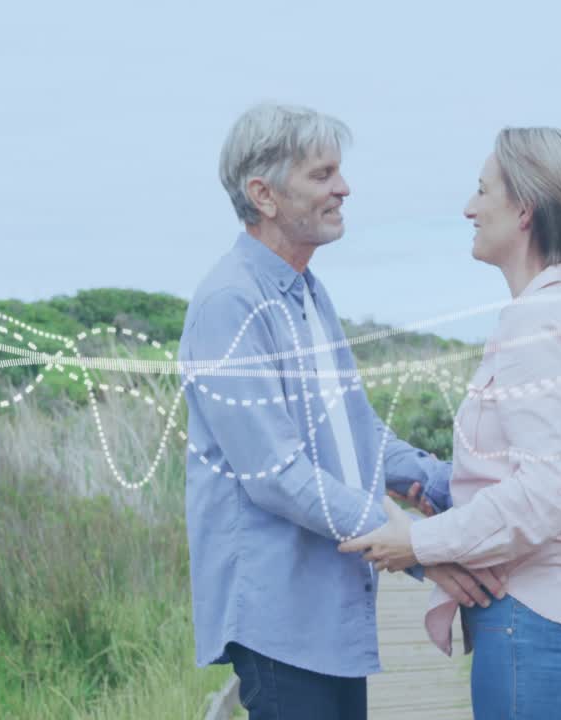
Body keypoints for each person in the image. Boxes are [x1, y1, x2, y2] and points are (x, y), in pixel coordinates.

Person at [178, 102, 506, 720]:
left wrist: (450, 485)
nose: (343, 187)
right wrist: (415, 547)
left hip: (330, 616)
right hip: (280, 614)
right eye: (322, 174)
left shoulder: (308, 293)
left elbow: (359, 437)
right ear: (264, 194)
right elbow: (276, 474)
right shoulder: (229, 304)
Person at [340, 127, 561, 718]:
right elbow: (530, 476)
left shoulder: (536, 325)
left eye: (482, 190)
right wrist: (434, 483)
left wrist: (415, 543)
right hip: (553, 624)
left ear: (524, 208)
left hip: (539, 623)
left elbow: (540, 498)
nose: (469, 208)